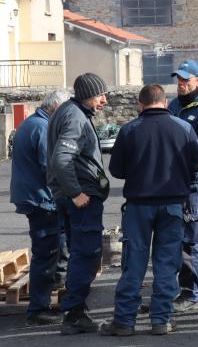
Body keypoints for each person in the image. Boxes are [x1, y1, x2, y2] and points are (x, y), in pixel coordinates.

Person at [101, 85, 198, 336]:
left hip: (139, 206)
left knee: (133, 263)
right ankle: (161, 319)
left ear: (140, 104)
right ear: (165, 103)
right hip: (172, 205)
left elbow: (117, 170)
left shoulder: (129, 130)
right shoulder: (184, 128)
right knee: (167, 264)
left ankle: (125, 321)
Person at [47, 73, 110, 335]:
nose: (104, 100)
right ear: (87, 96)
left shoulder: (69, 111)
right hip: (81, 197)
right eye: (100, 95)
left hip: (72, 195)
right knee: (87, 253)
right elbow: (62, 159)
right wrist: (75, 193)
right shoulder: (74, 116)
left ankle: (76, 309)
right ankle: (73, 314)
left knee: (78, 252)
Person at [10, 89, 71, 326]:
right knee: (45, 254)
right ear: (56, 108)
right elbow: (52, 167)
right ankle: (37, 310)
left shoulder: (33, 123)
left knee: (52, 249)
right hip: (41, 200)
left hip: (34, 197)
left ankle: (47, 296)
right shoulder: (43, 128)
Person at [167, 60, 198, 313]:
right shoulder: (173, 106)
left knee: (192, 241)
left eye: (186, 79)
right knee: (173, 238)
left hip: (194, 184)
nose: (181, 83)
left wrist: (184, 143)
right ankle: (174, 290)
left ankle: (192, 293)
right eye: (178, 79)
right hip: (172, 182)